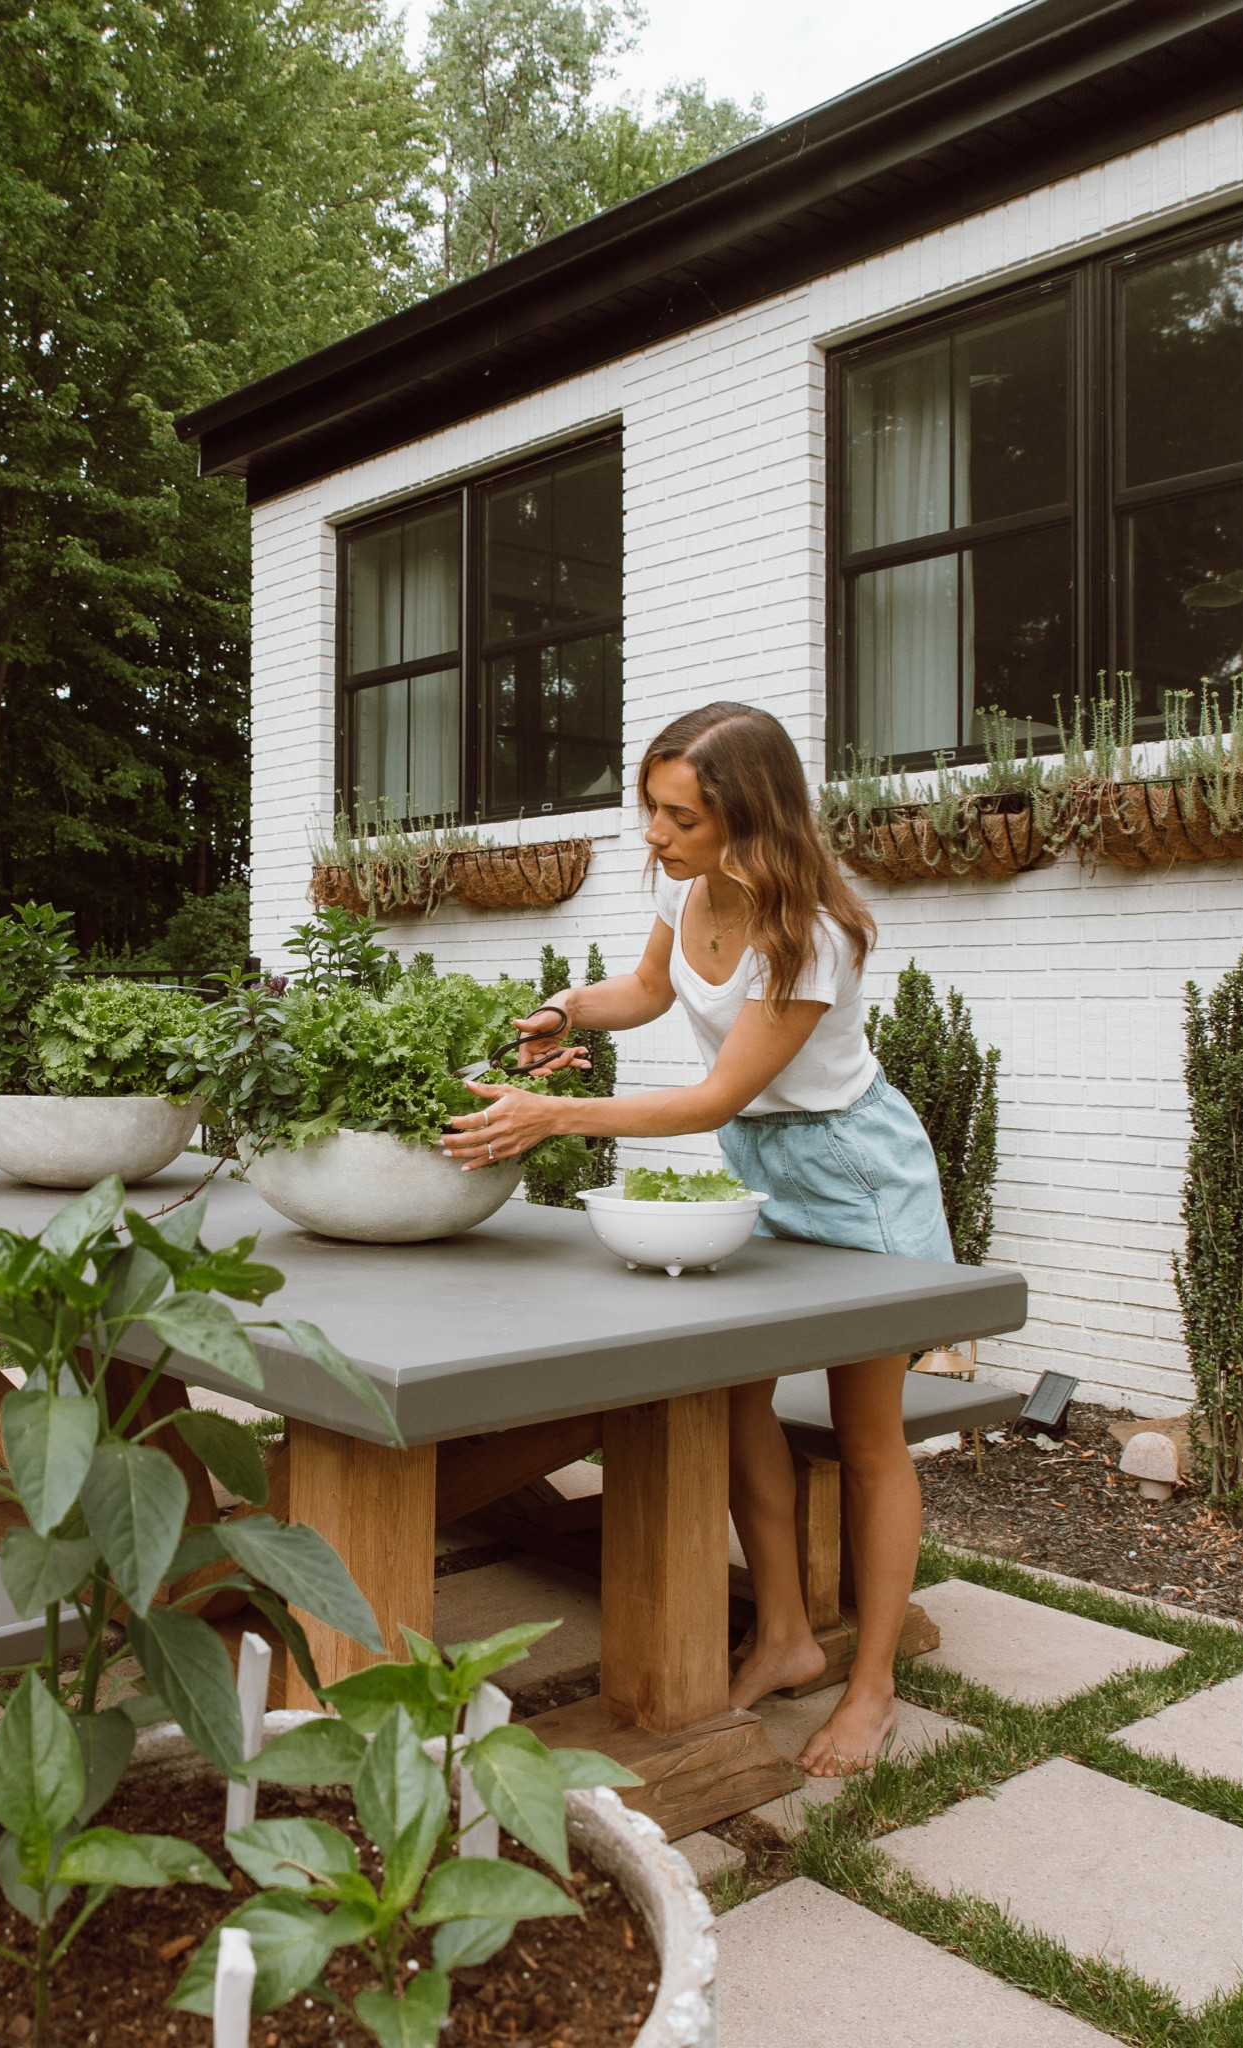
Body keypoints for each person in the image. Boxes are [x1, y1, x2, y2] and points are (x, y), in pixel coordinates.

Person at [440, 701, 953, 1776]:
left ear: (747, 818)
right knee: (733, 1398)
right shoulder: (684, 886)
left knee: (868, 1437)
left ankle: (871, 1687)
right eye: (651, 809)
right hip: (767, 1167)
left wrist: (551, 1116)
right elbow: (646, 988)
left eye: (678, 817)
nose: (655, 836)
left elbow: (716, 1094)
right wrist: (567, 1010)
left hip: (853, 1175)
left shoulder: (808, 930)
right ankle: (783, 1634)